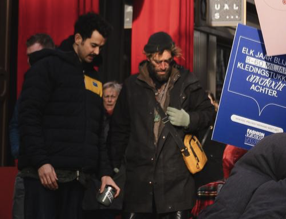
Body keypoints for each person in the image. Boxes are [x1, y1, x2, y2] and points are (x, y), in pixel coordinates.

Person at [17, 13, 119, 219]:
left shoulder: (94, 77)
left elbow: (97, 131)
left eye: (101, 46)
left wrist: (105, 173)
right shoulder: (47, 67)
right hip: (44, 178)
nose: (97, 51)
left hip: (77, 182)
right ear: (78, 38)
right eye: (93, 45)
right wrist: (41, 162)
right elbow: (28, 116)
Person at [109, 32, 215, 219]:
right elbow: (119, 128)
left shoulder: (187, 81)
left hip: (176, 183)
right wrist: (115, 165)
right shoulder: (132, 86)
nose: (163, 66)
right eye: (158, 62)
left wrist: (189, 119)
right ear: (148, 58)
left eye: (167, 61)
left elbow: (209, 114)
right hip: (139, 184)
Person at [11, 33, 56, 219]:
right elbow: (16, 123)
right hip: (28, 167)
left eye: (35, 56)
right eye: (28, 57)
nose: (31, 61)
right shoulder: (29, 86)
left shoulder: (59, 83)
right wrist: (19, 151)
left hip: (53, 168)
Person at [84, 82, 123, 219]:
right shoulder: (96, 118)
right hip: (95, 175)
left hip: (117, 174)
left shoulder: (123, 121)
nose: (109, 100)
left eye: (113, 96)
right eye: (106, 96)